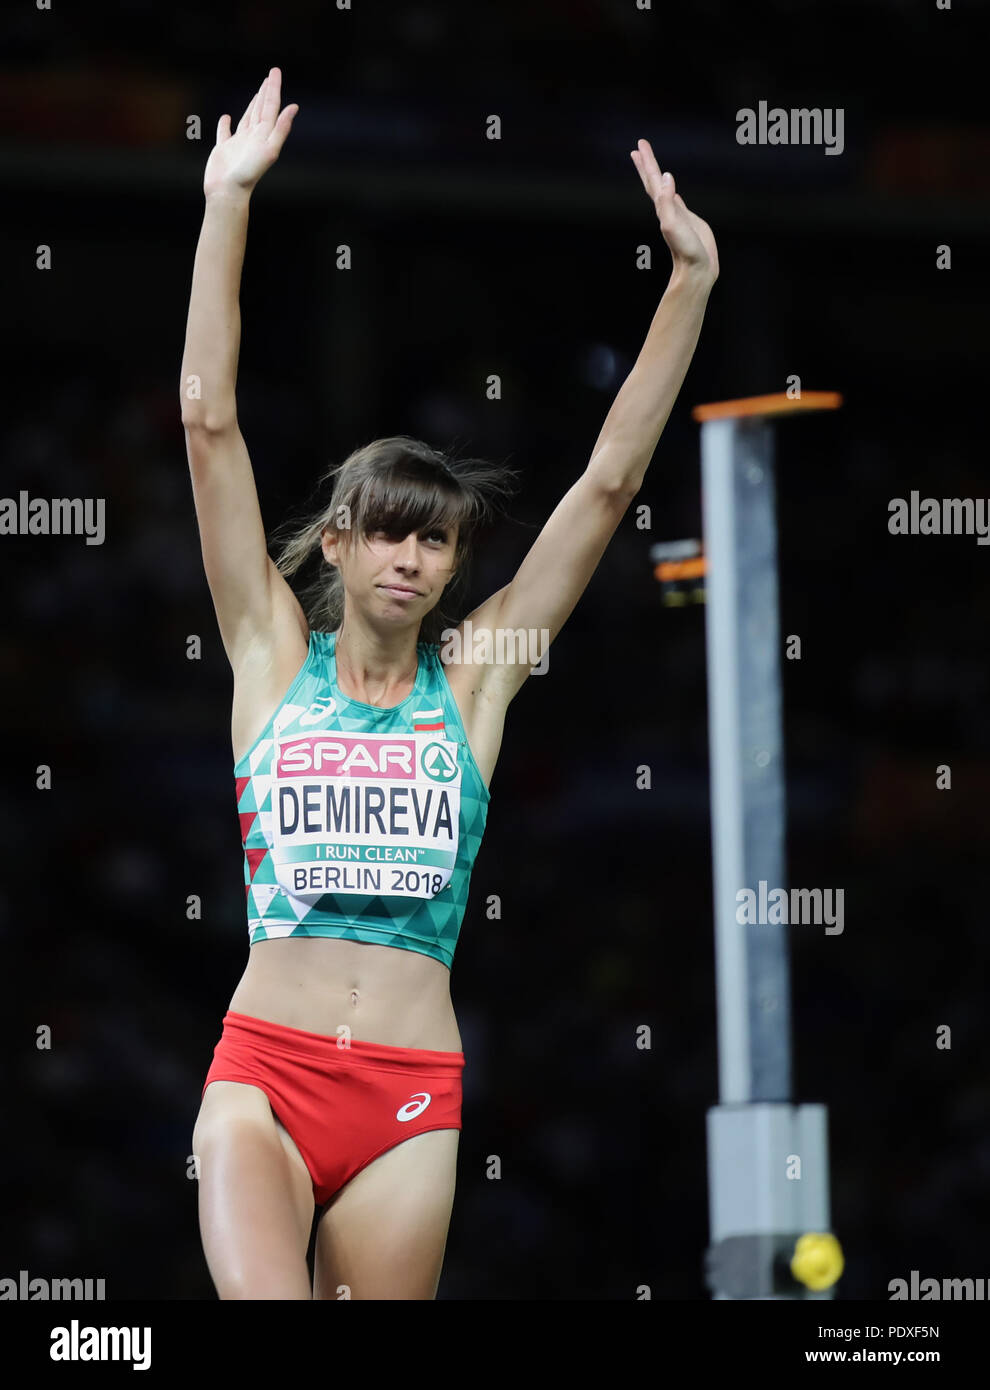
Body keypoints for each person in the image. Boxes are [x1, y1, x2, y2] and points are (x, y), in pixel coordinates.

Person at [181, 67, 718, 1300]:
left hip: (411, 1098)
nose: (412, 558)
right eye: (388, 533)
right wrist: (227, 205)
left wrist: (689, 284)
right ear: (340, 544)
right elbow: (209, 428)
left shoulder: (474, 682)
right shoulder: (267, 652)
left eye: (434, 541)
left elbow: (606, 488)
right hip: (264, 1068)